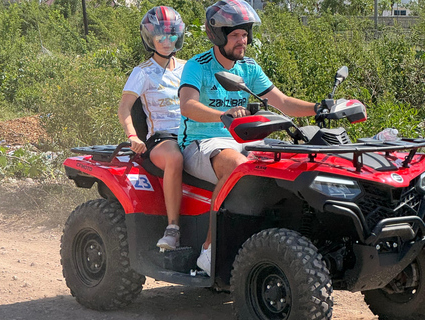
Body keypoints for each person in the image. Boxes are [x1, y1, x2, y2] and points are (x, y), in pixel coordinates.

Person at [178, 0, 318, 276]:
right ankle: (208, 252)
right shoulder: (198, 66)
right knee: (239, 168)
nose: (243, 41)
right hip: (202, 143)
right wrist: (223, 114)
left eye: (245, 34)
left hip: (244, 141)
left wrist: (319, 108)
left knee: (291, 165)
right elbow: (188, 106)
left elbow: (283, 102)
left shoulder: (249, 68)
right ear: (217, 36)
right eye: (235, 35)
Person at [118, 6, 186, 250]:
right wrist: (133, 136)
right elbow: (124, 108)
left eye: (171, 35)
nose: (167, 41)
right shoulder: (142, 72)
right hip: (161, 139)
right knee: (175, 159)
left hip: (191, 134)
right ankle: (173, 228)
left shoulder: (188, 68)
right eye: (161, 36)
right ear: (150, 38)